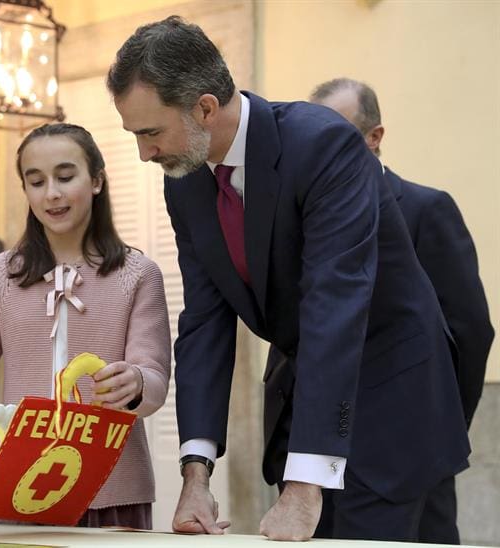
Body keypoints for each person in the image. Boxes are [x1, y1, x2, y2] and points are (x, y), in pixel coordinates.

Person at [107, 16, 470, 542]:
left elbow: (334, 306)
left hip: (392, 407)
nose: (144, 153)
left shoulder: (323, 145)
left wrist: (304, 483)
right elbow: (205, 321)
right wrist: (195, 473)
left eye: (150, 132)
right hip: (307, 408)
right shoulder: (185, 183)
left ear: (205, 108)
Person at [0, 122, 171, 529]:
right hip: (16, 484)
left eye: (65, 176)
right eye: (36, 181)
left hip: (112, 487)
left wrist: (136, 382)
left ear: (96, 180)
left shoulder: (139, 274)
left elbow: (155, 379)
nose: (51, 194)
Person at [309, 77, 494, 544]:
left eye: (338, 135)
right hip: (316, 457)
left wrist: (437, 424)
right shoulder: (306, 213)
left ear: (375, 136)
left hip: (411, 451)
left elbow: (470, 330)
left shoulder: (427, 208)